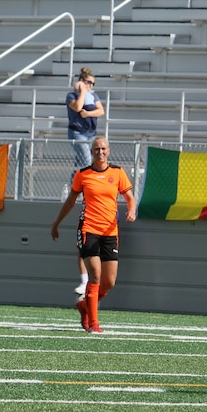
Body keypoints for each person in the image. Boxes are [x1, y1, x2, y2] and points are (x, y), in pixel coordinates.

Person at [50, 137, 137, 334]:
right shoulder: (83, 175)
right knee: (95, 275)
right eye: (96, 149)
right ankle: (93, 323)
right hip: (88, 229)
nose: (100, 152)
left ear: (109, 151)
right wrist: (56, 223)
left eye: (103, 148)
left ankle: (84, 307)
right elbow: (71, 201)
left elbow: (130, 198)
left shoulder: (118, 172)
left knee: (109, 282)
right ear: (91, 152)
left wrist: (131, 211)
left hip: (110, 231)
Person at [66, 67, 105, 295]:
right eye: (88, 82)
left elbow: (99, 110)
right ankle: (78, 188)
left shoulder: (94, 95)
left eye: (92, 83)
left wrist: (89, 114)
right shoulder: (73, 95)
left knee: (85, 163)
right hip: (78, 133)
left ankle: (76, 187)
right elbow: (78, 107)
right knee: (83, 162)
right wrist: (81, 91)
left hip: (89, 132)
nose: (91, 86)